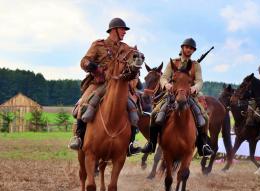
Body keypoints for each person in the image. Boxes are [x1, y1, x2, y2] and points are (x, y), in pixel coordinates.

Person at [68, 17, 141, 155]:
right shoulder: (98, 45)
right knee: (83, 104)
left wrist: (136, 70)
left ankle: (131, 144)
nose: (125, 32)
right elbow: (84, 61)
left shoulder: (126, 48)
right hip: (99, 83)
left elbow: (134, 61)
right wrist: (95, 69)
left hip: (119, 85)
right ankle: (78, 137)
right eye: (122, 29)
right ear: (113, 30)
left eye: (125, 30)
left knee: (133, 108)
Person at [141, 38, 214, 156]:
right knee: (154, 113)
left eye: (191, 48)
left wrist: (194, 88)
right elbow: (163, 77)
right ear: (182, 48)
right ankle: (152, 143)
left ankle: (203, 145)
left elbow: (200, 81)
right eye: (187, 47)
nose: (189, 50)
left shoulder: (196, 65)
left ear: (193, 51)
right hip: (171, 95)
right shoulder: (173, 62)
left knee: (204, 117)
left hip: (189, 95)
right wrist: (167, 85)